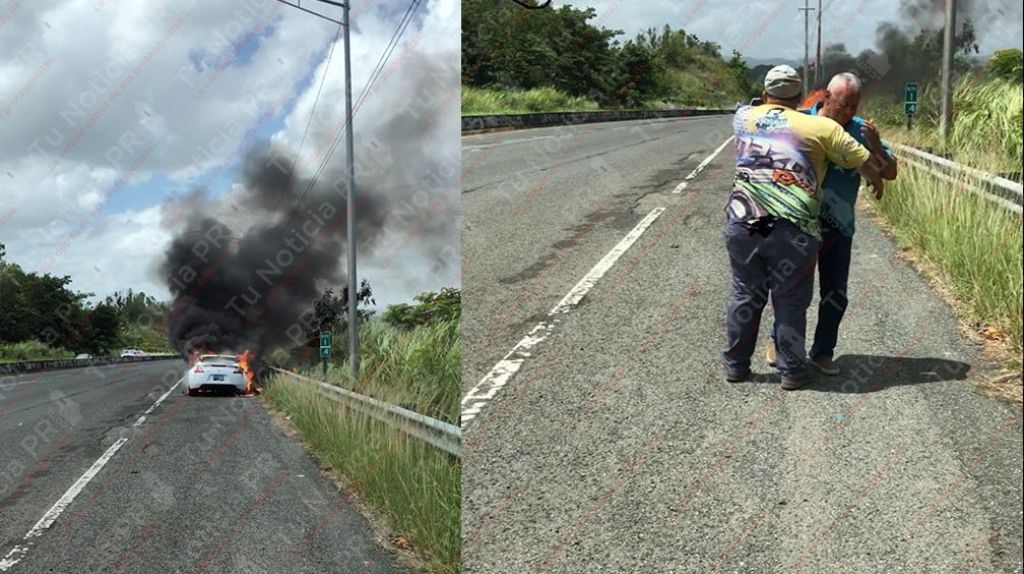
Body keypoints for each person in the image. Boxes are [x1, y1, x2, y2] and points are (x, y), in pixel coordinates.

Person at [723, 65, 885, 390]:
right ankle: (793, 371)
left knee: (745, 294)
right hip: (793, 228)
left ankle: (736, 366)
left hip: (743, 222)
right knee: (790, 300)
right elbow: (864, 162)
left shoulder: (742, 118)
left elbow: (749, 109)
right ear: (800, 98)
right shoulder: (822, 127)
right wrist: (876, 178)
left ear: (765, 94)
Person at [765, 72, 899, 376]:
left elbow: (890, 173)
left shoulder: (861, 130)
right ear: (826, 97)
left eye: (854, 106)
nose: (848, 112)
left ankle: (823, 352)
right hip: (798, 222)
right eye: (842, 105)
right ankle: (779, 341)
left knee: (835, 294)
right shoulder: (799, 122)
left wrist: (876, 147)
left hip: (838, 226)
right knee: (791, 288)